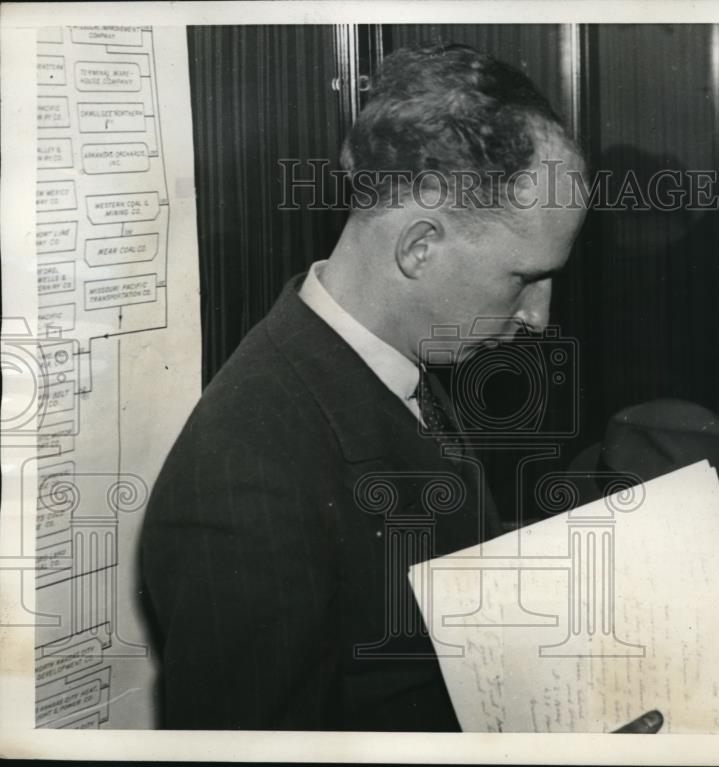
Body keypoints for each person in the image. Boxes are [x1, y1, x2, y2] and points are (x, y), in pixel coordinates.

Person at [140, 44, 660, 733]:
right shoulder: (247, 476)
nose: (541, 315)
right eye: (523, 278)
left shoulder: (391, 366)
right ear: (418, 247)